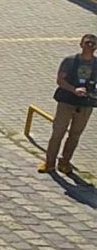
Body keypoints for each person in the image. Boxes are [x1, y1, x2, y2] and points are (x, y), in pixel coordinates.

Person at [43, 32, 97, 176]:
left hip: (85, 105)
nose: (90, 46)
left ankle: (65, 162)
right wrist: (74, 90)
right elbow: (60, 81)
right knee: (58, 133)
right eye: (87, 43)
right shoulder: (70, 61)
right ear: (81, 44)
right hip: (66, 102)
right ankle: (49, 163)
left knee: (75, 135)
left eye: (93, 44)